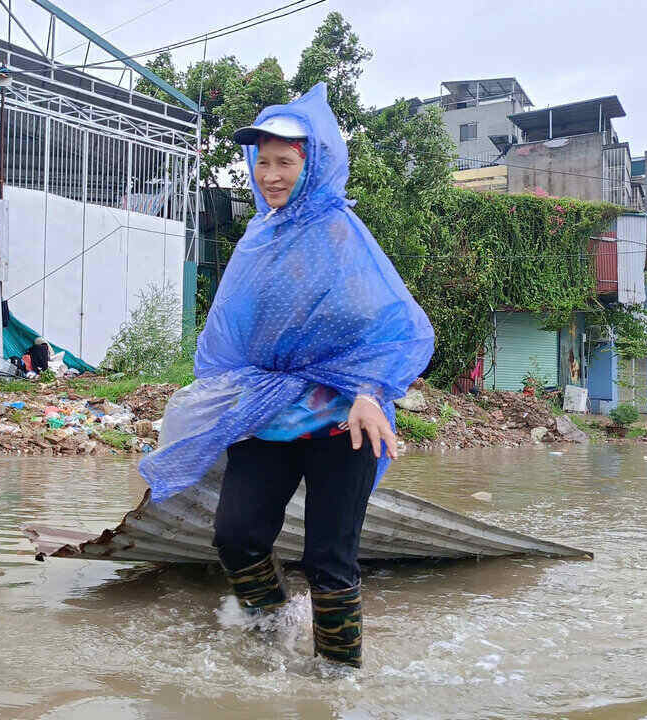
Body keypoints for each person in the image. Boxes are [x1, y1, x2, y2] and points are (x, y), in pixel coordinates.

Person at [137, 84, 435, 669]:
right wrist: (212, 402)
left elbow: (391, 326)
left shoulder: (341, 237)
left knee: (329, 560)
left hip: (341, 423)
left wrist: (371, 393)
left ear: (313, 163)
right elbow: (230, 334)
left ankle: (336, 680)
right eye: (263, 162)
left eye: (285, 162)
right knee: (235, 537)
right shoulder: (257, 238)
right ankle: (273, 628)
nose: (271, 175)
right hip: (266, 415)